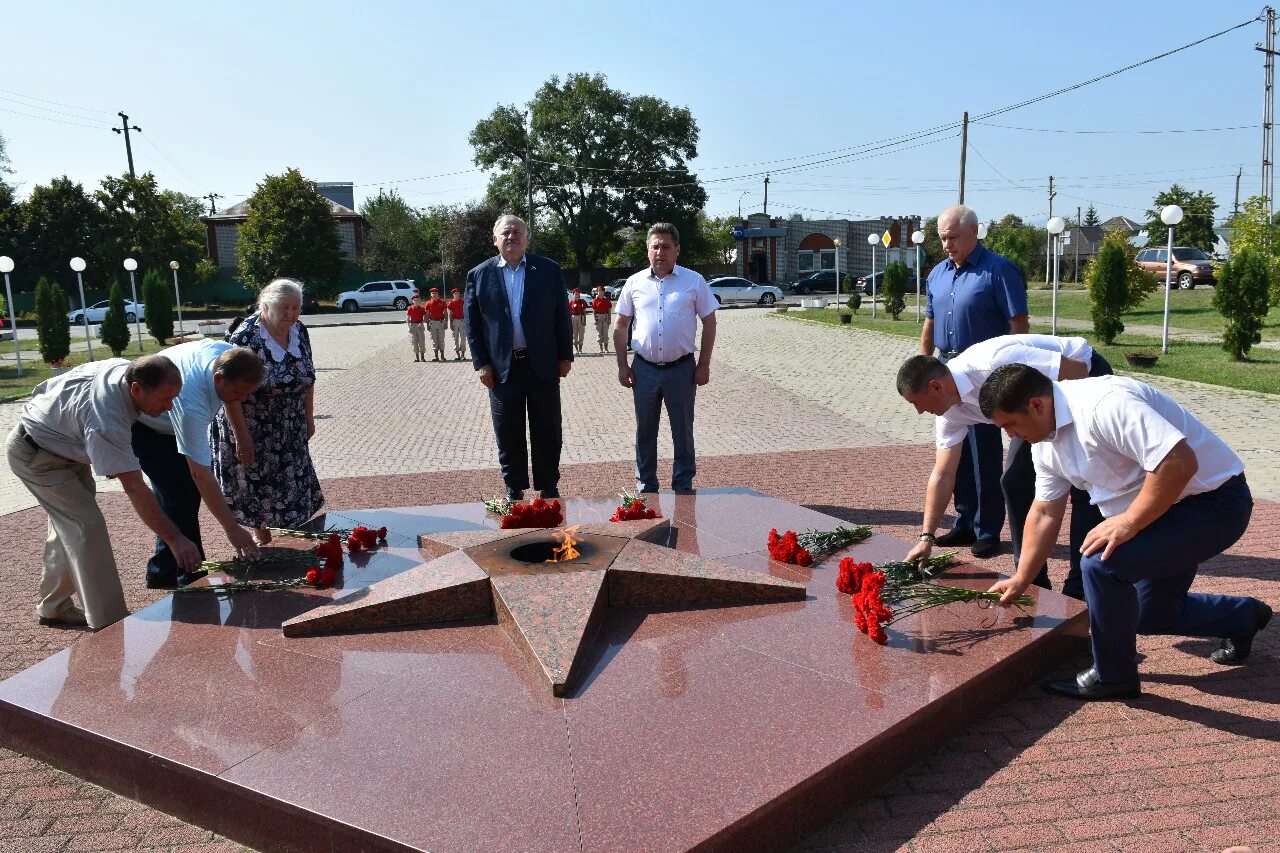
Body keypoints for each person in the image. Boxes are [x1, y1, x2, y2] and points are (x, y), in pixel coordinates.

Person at [980, 364, 1271, 700]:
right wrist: (1022, 578)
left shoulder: (1105, 405)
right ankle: (1244, 617)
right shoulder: (1046, 441)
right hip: (1162, 512)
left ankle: (1113, 676)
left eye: (1010, 425)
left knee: (1101, 565)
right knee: (1148, 615)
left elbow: (1178, 462)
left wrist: (1129, 521)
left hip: (1214, 505)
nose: (1010, 436)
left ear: (1036, 405)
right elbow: (1045, 512)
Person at [898, 335, 1112, 597]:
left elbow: (1077, 370)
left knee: (1084, 484)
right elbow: (943, 474)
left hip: (1082, 379)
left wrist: (1064, 432)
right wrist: (926, 538)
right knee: (1015, 482)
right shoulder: (949, 410)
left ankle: (1080, 588)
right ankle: (1033, 580)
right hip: (1032, 408)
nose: (919, 412)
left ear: (935, 387)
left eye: (916, 403)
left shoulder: (993, 363)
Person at [7, 355, 200, 629]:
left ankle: (54, 607)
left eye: (173, 398)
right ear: (136, 389)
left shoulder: (125, 370)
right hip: (36, 456)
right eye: (164, 399)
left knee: (70, 529)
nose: (169, 407)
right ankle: (110, 622)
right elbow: (134, 487)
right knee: (87, 527)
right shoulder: (107, 418)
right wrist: (176, 539)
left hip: (64, 446)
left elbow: (49, 386)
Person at [920, 204, 1030, 558]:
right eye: (942, 238)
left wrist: (1012, 378)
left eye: (953, 237)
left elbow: (1019, 324)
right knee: (956, 455)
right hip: (947, 373)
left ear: (974, 232)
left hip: (987, 376)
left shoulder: (998, 270)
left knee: (984, 454)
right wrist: (924, 366)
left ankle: (987, 529)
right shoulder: (937, 273)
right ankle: (964, 522)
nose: (947, 244)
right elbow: (930, 322)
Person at [133, 341, 265, 589]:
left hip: (171, 416)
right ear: (218, 379)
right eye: (238, 394)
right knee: (181, 493)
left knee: (181, 494)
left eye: (247, 394)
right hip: (148, 424)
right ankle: (191, 576)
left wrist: (242, 434)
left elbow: (233, 394)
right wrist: (232, 529)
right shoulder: (193, 404)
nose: (242, 400)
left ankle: (163, 570)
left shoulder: (229, 355)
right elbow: (201, 474)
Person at [465, 214, 573, 501]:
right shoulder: (479, 274)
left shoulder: (548, 270)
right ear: (495, 239)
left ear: (527, 238)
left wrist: (565, 356)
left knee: (548, 426)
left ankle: (548, 484)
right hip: (502, 368)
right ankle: (514, 485)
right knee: (507, 428)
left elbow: (562, 315)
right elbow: (472, 324)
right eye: (506, 232)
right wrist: (481, 363)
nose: (511, 237)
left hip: (542, 364)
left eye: (517, 232)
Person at [211, 278, 325, 546]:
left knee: (293, 487)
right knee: (256, 486)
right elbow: (229, 390)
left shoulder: (299, 331)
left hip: (289, 424)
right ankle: (261, 538)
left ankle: (294, 545)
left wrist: (308, 417)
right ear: (265, 306)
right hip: (251, 424)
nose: (292, 314)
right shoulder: (245, 336)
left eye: (296, 308)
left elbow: (309, 377)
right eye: (284, 308)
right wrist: (242, 436)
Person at [614, 223, 717, 494]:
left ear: (677, 250)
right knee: (645, 432)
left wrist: (704, 363)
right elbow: (621, 324)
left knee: (682, 431)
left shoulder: (693, 281)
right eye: (655, 246)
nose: (660, 252)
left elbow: (710, 321)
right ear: (648, 250)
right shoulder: (634, 282)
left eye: (666, 246)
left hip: (682, 369)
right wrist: (622, 364)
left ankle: (683, 484)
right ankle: (646, 485)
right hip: (643, 369)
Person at [424, 287, 449, 362]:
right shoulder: (428, 303)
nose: (434, 295)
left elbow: (445, 313)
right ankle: (436, 356)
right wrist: (427, 324)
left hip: (441, 322)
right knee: (434, 339)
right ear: (431, 294)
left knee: (441, 339)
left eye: (435, 293)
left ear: (438, 294)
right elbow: (427, 314)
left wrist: (446, 322)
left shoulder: (442, 302)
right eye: (433, 293)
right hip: (432, 322)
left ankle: (442, 356)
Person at [406, 292, 427, 362]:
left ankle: (422, 357)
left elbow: (425, 317)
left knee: (422, 341)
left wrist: (422, 322)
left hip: (420, 326)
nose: (416, 301)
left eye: (417, 300)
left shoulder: (422, 308)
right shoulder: (410, 308)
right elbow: (407, 319)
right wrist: (408, 327)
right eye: (414, 300)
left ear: (419, 301)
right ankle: (417, 357)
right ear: (412, 301)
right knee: (414, 342)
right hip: (413, 326)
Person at [447, 287, 467, 360]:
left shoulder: (463, 301)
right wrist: (451, 324)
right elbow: (450, 314)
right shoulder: (451, 303)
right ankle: (457, 354)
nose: (456, 295)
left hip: (462, 321)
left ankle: (463, 354)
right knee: (455, 338)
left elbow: (466, 312)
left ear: (459, 294)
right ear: (453, 295)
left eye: (457, 293)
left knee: (463, 338)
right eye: (455, 294)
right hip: (455, 321)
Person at [592, 284, 612, 353]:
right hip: (598, 317)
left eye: (601, 291)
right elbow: (594, 311)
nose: (600, 293)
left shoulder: (607, 300)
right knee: (599, 333)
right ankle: (601, 348)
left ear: (603, 292)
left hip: (605, 316)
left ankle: (606, 348)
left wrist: (609, 319)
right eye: (599, 291)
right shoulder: (595, 300)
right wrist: (595, 319)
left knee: (605, 333)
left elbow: (609, 310)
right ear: (597, 292)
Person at [569, 288, 588, 354]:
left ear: (579, 295)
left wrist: (584, 320)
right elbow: (569, 312)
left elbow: (584, 312)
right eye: (575, 294)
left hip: (580, 317)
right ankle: (576, 350)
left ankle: (580, 349)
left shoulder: (582, 301)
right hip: (573, 318)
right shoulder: (571, 302)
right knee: (574, 334)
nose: (576, 295)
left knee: (581, 333)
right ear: (573, 295)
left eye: (578, 294)